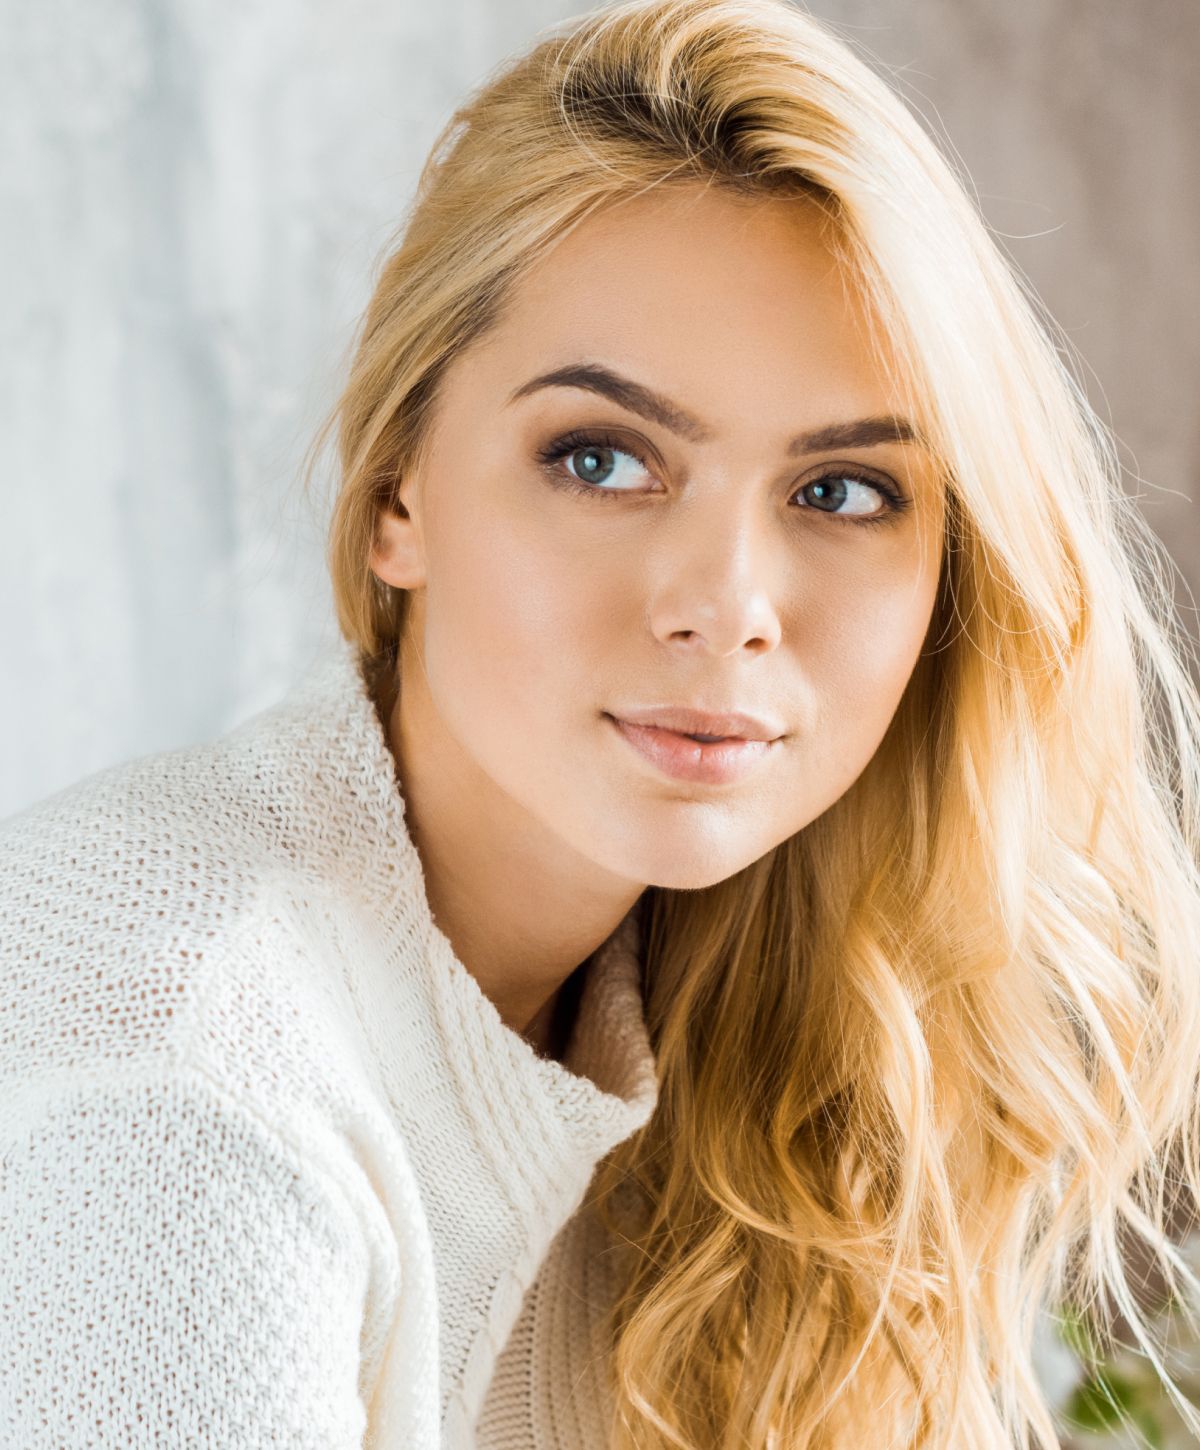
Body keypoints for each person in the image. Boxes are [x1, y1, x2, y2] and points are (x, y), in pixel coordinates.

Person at [3, 0, 1199, 1445]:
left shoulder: (735, 1016)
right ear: (399, 492)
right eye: (601, 457)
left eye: (841, 491)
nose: (728, 605)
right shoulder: (183, 1085)